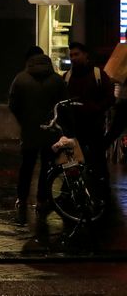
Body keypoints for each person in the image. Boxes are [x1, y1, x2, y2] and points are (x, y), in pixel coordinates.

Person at [8, 45, 66, 222]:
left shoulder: (20, 79)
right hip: (50, 130)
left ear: (28, 60)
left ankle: (22, 198)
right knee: (47, 167)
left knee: (26, 166)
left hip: (29, 130)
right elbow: (63, 105)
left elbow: (13, 105)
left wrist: (25, 120)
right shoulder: (56, 80)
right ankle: (42, 199)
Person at [63, 41, 114, 196]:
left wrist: (97, 109)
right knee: (71, 161)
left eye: (76, 54)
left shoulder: (98, 74)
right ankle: (69, 191)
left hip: (93, 126)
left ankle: (102, 190)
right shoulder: (67, 76)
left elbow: (110, 97)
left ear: (86, 55)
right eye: (71, 55)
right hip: (74, 127)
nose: (73, 58)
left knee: (97, 159)